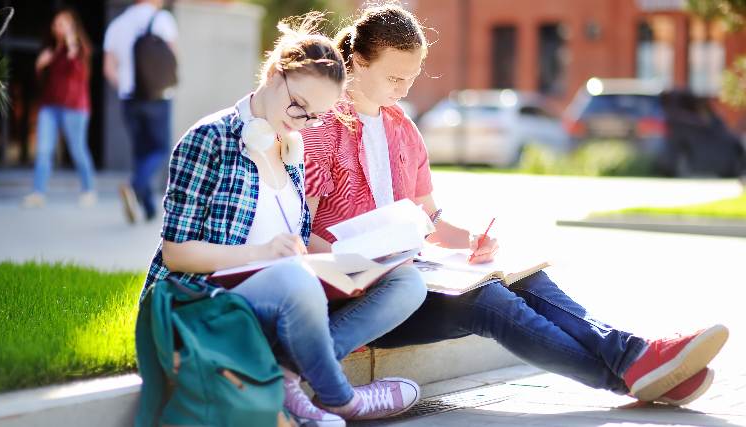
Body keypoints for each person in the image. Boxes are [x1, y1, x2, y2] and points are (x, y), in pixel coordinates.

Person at [301, 2, 729, 407]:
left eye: (412, 78)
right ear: (357, 61)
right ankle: (630, 371)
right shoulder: (320, 128)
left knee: (526, 280)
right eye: (394, 78)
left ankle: (633, 358)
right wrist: (370, 265)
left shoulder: (402, 130)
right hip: (367, 298)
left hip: (415, 276)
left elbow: (429, 220)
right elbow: (304, 234)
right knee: (486, 302)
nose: (404, 89)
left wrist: (471, 242)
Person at [141, 14, 425, 426]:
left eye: (315, 117)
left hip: (279, 289)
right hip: (200, 298)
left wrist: (359, 261)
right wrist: (263, 254)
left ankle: (291, 384)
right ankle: (342, 399)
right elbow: (176, 254)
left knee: (406, 282)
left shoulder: (291, 149)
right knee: (295, 280)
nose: (302, 121)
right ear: (274, 74)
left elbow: (296, 243)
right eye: (298, 105)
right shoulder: (211, 138)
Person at [103, 0, 177, 223]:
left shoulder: (117, 24)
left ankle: (149, 208)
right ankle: (134, 186)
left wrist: (124, 85)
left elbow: (108, 68)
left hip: (130, 99)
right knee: (160, 149)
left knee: (141, 153)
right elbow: (174, 58)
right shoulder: (163, 20)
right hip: (158, 97)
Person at [23, 8, 96, 209]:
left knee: (78, 150)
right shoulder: (49, 50)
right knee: (43, 150)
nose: (57, 28)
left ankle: (88, 190)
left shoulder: (80, 50)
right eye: (56, 24)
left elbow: (79, 74)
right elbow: (42, 83)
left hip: (75, 108)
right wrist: (39, 66)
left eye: (62, 23)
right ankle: (38, 193)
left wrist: (72, 43)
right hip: (50, 107)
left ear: (72, 26)